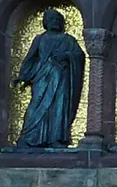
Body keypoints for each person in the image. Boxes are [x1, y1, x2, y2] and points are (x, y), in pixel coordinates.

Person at [15, 8, 86, 148]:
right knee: (37, 104)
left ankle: (56, 138)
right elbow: (30, 58)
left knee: (59, 106)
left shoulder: (68, 40)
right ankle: (29, 137)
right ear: (45, 22)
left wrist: (66, 56)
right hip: (42, 77)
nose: (55, 22)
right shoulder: (40, 39)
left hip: (61, 78)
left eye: (58, 20)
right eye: (51, 19)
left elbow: (79, 55)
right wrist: (23, 76)